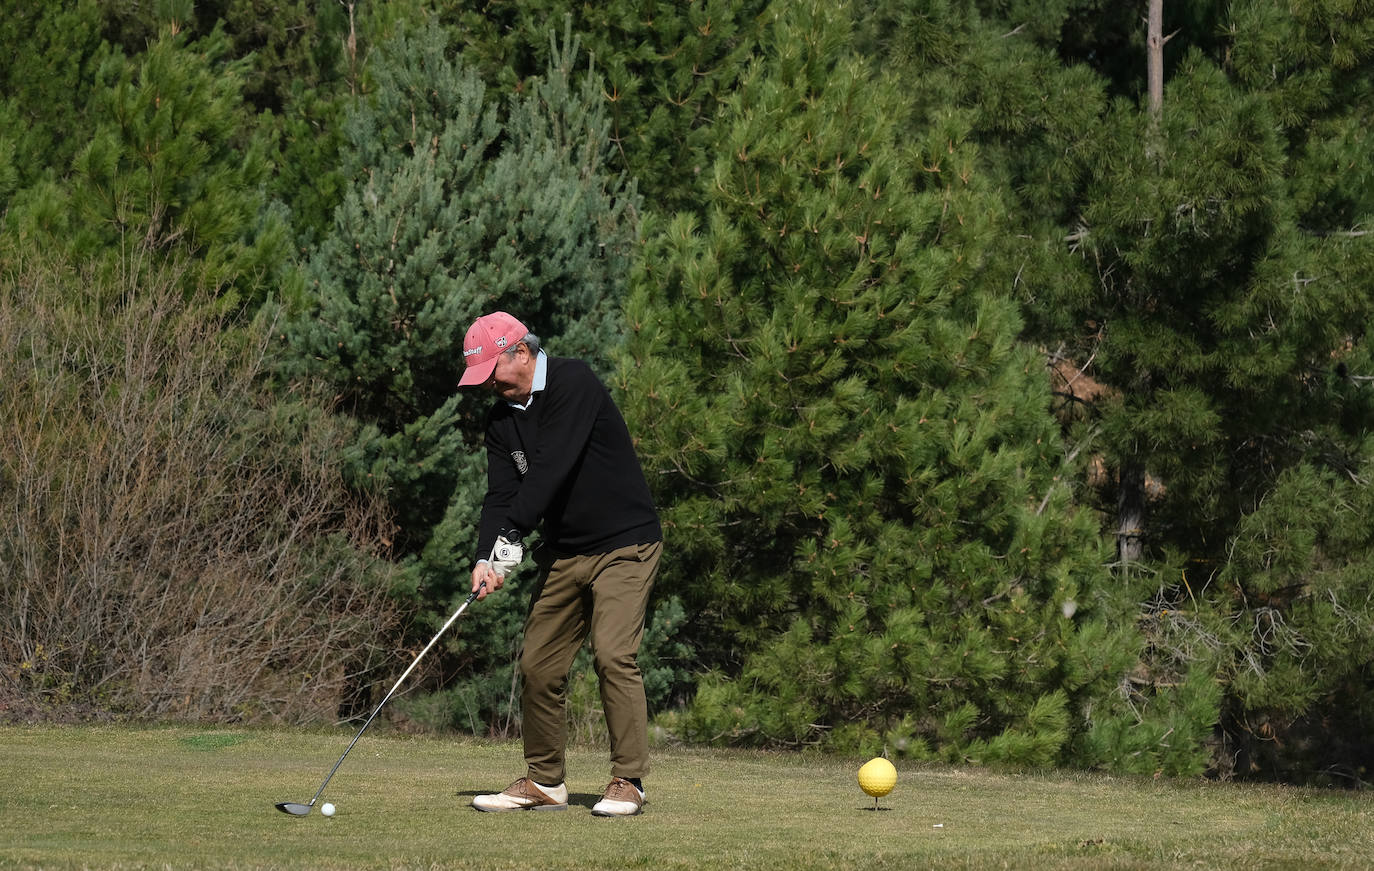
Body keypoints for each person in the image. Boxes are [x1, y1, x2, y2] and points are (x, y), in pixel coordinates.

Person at [458, 311, 663, 817]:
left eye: (492, 373)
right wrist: (487, 558)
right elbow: (501, 495)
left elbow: (551, 468)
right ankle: (546, 782)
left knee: (613, 654)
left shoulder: (574, 381)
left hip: (624, 545)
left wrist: (512, 536)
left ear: (521, 353)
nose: (489, 386)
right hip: (564, 551)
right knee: (538, 664)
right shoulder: (501, 419)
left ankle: (629, 781)